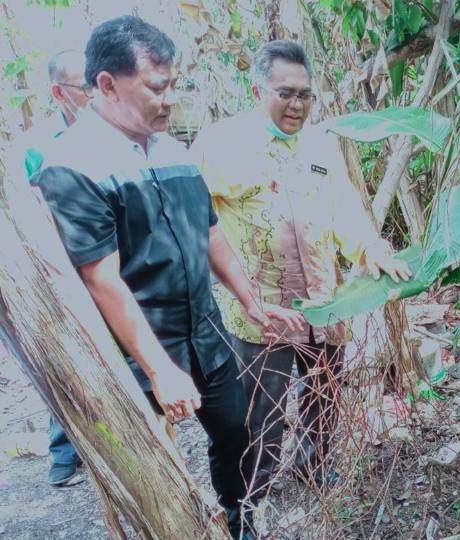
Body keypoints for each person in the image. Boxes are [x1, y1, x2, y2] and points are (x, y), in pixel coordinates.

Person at [32, 17, 302, 538]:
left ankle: (238, 520)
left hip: (206, 332)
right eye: (157, 86)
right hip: (133, 350)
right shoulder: (73, 165)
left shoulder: (173, 151)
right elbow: (101, 278)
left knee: (238, 432)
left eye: (173, 84)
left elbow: (209, 232)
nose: (170, 99)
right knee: (150, 464)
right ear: (107, 84)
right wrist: (158, 368)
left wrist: (249, 300)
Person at [192, 40, 410, 493]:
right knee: (262, 407)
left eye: (305, 94)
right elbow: (198, 221)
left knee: (324, 395)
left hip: (323, 304)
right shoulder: (221, 144)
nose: (297, 105)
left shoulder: (319, 144)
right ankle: (258, 488)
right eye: (285, 93)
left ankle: (314, 467)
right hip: (262, 314)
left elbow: (345, 208)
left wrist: (372, 249)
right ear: (258, 91)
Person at [20, 49, 93, 487]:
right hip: (61, 272)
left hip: (109, 268)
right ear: (58, 92)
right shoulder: (37, 148)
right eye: (84, 88)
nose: (94, 95)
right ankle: (63, 454)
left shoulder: (112, 135)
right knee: (67, 361)